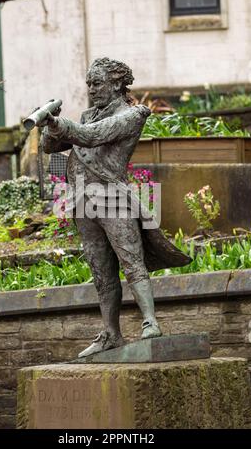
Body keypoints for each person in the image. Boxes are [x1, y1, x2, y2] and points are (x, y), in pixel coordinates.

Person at [42, 57, 191, 358]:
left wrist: (60, 123)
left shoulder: (132, 114)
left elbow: (92, 136)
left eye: (96, 83)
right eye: (89, 84)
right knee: (101, 270)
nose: (91, 89)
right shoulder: (87, 115)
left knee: (131, 260)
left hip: (113, 200)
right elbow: (50, 147)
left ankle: (150, 322)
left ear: (117, 84)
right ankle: (111, 333)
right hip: (84, 202)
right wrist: (49, 124)